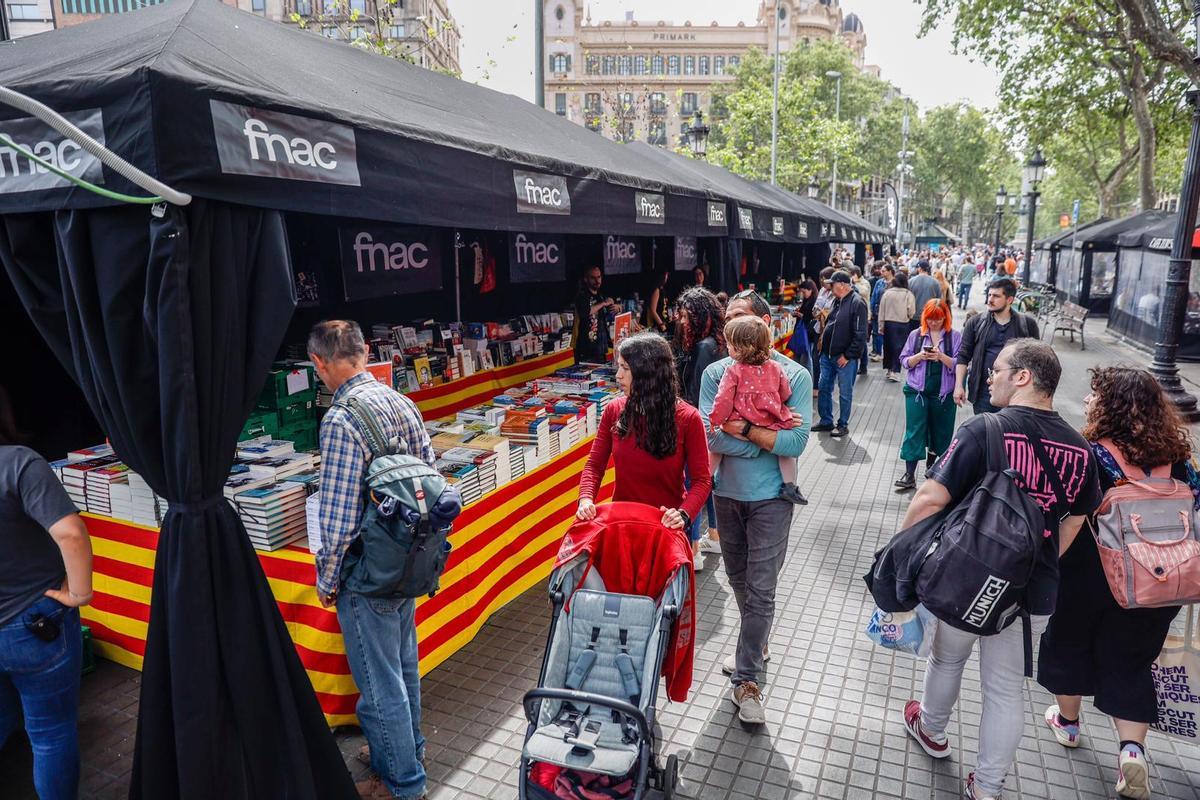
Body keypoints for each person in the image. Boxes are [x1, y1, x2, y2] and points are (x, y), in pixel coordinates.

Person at [899, 339, 1103, 800]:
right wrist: (1040, 558)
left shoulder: (984, 429)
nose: (988, 377)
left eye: (997, 370)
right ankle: (986, 788)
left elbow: (931, 497)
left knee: (948, 657)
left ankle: (930, 730)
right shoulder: (1080, 448)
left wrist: (905, 555)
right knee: (1005, 689)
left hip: (968, 577)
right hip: (1033, 588)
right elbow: (1076, 517)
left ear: (1024, 376)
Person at [1038, 367, 1198, 800]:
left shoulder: (1091, 455)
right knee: (1129, 661)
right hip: (1159, 581)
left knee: (1068, 642)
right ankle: (1131, 752)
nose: (1088, 402)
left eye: (1095, 396)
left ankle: (1068, 725)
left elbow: (1064, 512)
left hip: (1091, 574)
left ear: (1110, 407)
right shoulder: (1178, 459)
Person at [310, 319, 436, 800]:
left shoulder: (341, 421)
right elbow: (429, 477)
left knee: (380, 684)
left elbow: (339, 518)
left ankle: (402, 783)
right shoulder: (400, 400)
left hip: (368, 571)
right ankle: (405, 751)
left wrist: (328, 576)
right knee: (403, 668)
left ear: (321, 363)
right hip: (409, 560)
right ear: (364, 353)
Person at [700, 290, 810, 725]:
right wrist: (762, 439)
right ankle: (756, 640)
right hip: (726, 496)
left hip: (772, 500)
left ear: (765, 324)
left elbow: (797, 441)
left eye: (742, 321)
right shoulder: (715, 372)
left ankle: (747, 681)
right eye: (728, 322)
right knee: (738, 578)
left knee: (762, 587)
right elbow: (711, 436)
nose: (733, 332)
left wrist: (742, 429)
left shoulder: (794, 375)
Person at [0, 421, 93, 800]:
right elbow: (70, 532)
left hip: (27, 621)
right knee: (51, 734)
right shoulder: (17, 462)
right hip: (32, 623)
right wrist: (79, 593)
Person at [577, 331, 712, 536]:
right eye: (618, 367)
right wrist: (586, 499)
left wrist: (683, 515)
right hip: (623, 524)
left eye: (626, 368)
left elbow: (702, 480)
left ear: (648, 373)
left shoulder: (689, 419)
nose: (618, 375)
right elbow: (594, 465)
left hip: (666, 529)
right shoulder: (614, 410)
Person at [708, 316, 806, 505]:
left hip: (739, 421)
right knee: (784, 453)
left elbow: (724, 399)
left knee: (715, 450)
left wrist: (716, 420)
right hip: (769, 422)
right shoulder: (776, 367)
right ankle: (790, 486)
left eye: (729, 345)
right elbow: (785, 391)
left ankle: (708, 478)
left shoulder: (733, 371)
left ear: (738, 348)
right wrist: (781, 408)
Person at [675, 286, 726, 569]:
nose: (681, 321)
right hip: (710, 426)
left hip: (698, 426)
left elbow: (696, 393)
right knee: (707, 481)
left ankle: (693, 549)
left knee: (693, 484)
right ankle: (714, 536)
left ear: (698, 316)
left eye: (685, 316)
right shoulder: (714, 343)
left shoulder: (704, 347)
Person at [894, 300, 961, 491]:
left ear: (945, 318)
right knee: (914, 430)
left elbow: (960, 364)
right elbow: (904, 361)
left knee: (940, 432)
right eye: (930, 319)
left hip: (943, 393)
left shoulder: (954, 337)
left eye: (938, 319)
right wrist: (919, 357)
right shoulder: (916, 335)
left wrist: (941, 357)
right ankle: (909, 475)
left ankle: (932, 470)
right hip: (917, 391)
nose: (934, 323)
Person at [954, 278, 1040, 414]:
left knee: (1011, 434)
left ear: (1010, 300)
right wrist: (959, 386)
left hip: (1016, 394)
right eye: (989, 295)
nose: (990, 300)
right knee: (986, 432)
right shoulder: (975, 323)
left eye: (996, 296)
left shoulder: (1027, 324)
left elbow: (1037, 360)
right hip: (984, 393)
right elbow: (963, 356)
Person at [811, 271, 868, 438]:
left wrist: (848, 355)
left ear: (842, 284)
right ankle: (826, 420)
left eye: (833, 284)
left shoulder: (857, 303)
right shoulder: (837, 300)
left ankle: (842, 424)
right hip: (828, 356)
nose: (829, 287)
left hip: (844, 358)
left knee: (845, 392)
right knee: (824, 387)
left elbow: (860, 334)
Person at [573, 265, 615, 364]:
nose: (597, 281)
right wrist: (603, 303)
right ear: (586, 279)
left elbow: (608, 312)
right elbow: (585, 312)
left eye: (599, 277)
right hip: (586, 349)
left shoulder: (600, 295)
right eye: (593, 278)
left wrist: (616, 307)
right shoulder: (582, 295)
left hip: (600, 348)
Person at [878, 272, 916, 382]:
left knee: (888, 346)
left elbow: (882, 310)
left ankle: (889, 369)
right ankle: (895, 370)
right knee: (899, 347)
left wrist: (881, 325)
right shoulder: (908, 294)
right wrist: (908, 316)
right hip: (902, 323)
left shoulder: (887, 293)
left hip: (889, 323)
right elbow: (911, 311)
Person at [849, 267, 871, 375]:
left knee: (863, 342)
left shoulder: (864, 283)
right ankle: (862, 366)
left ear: (856, 274)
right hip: (857, 315)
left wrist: (853, 283)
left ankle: (863, 366)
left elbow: (864, 292)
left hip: (864, 315)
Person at [870, 263, 893, 361]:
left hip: (891, 312)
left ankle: (888, 353)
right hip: (878, 311)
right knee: (877, 332)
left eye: (883, 271)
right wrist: (871, 310)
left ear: (890, 271)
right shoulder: (879, 282)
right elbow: (874, 296)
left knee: (889, 333)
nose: (881, 272)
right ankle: (878, 353)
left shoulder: (895, 282)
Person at [908, 261, 941, 326]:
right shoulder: (935, 282)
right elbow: (939, 300)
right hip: (930, 314)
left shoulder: (910, 281)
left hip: (914, 315)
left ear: (919, 268)